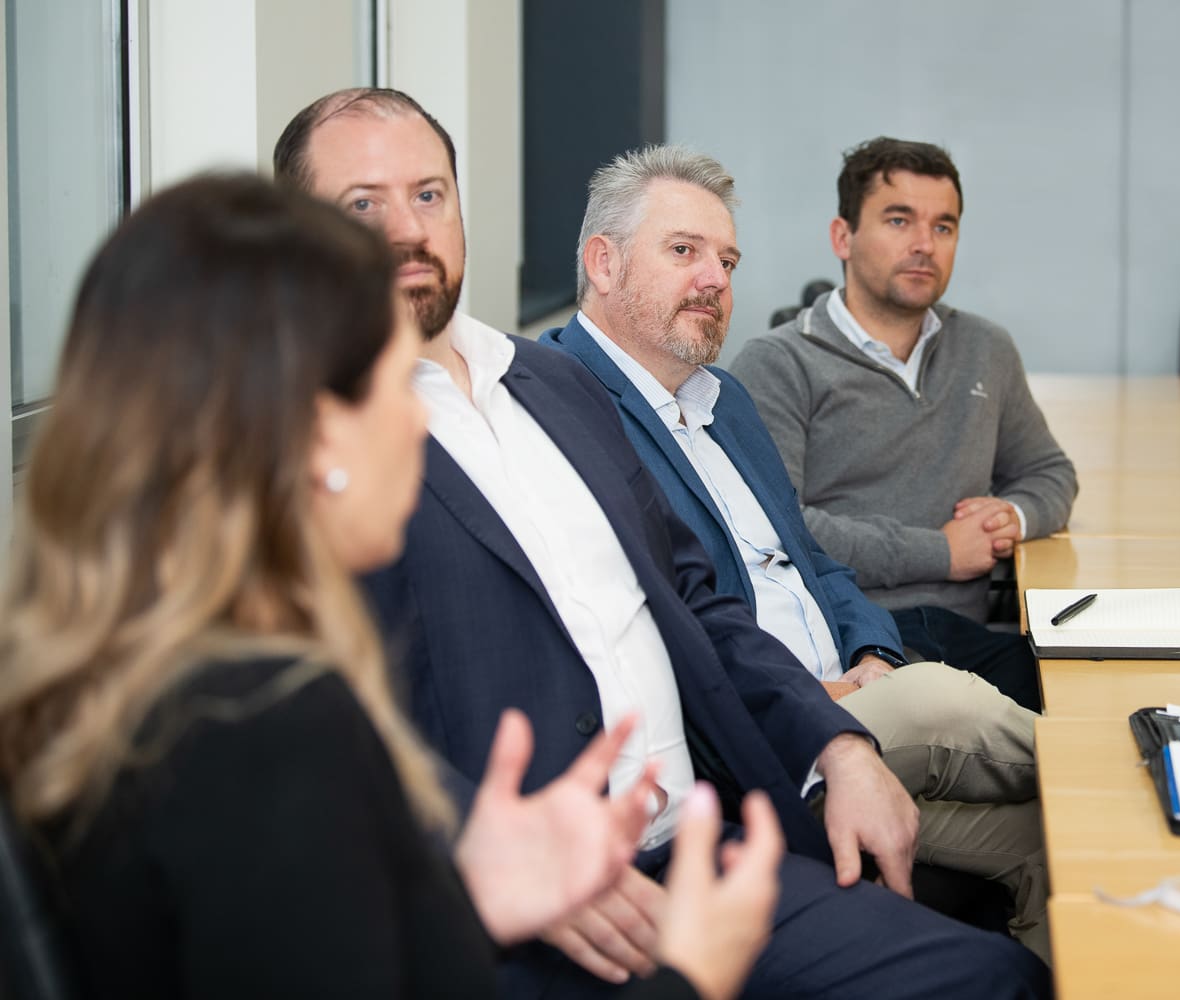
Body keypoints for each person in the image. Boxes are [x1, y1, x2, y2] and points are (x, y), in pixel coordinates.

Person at [274, 88, 1051, 1000]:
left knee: (992, 978)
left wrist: (837, 747)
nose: (407, 228)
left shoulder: (552, 386)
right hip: (528, 898)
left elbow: (700, 601)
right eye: (363, 205)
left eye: (429, 195)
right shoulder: (296, 439)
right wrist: (476, 856)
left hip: (700, 843)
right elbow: (302, 722)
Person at [0, 174, 781, 1000]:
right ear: (305, 432)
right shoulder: (269, 729)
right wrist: (695, 974)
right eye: (390, 380)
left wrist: (470, 896)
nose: (416, 420)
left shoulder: (119, 681)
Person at [542, 144, 1048, 956]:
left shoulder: (723, 400)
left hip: (855, 687)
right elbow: (667, 628)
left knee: (1044, 840)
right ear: (602, 263)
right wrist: (817, 692)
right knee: (952, 707)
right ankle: (1164, 761)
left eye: (728, 260)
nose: (716, 279)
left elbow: (811, 560)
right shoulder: (564, 404)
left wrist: (873, 649)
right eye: (684, 251)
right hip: (768, 734)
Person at [731, 137, 1078, 702]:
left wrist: (1015, 514)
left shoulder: (985, 348)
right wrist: (940, 552)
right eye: (899, 220)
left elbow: (1049, 470)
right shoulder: (779, 363)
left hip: (964, 636)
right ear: (843, 237)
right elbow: (777, 529)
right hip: (854, 642)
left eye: (944, 227)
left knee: (1096, 701)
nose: (924, 244)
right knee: (1039, 737)